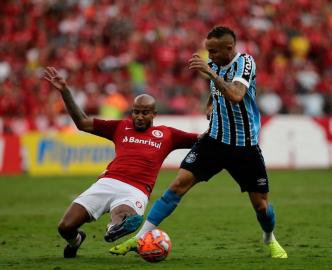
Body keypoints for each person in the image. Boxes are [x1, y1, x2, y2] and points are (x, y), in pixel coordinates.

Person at [110, 26, 288, 258]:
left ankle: (269, 237)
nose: (210, 56)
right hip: (213, 141)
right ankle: (139, 238)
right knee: (177, 186)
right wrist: (210, 105)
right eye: (208, 51)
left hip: (244, 147)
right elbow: (216, 91)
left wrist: (211, 73)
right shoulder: (213, 65)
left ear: (229, 48)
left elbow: (235, 95)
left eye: (213, 51)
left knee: (261, 206)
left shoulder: (245, 62)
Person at [43, 67, 199, 258]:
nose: (139, 117)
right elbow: (83, 123)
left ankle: (115, 227)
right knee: (65, 227)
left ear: (154, 114)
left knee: (123, 215)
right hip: (107, 182)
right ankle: (76, 240)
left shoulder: (168, 135)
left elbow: (201, 139)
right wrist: (64, 90)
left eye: (145, 113)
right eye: (136, 112)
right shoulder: (121, 126)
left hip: (136, 190)